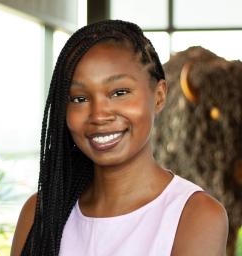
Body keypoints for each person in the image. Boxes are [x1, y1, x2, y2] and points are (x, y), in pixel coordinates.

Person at [11, 20, 228, 256]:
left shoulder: (194, 215)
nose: (99, 115)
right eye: (79, 98)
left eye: (119, 92)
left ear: (158, 96)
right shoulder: (38, 214)